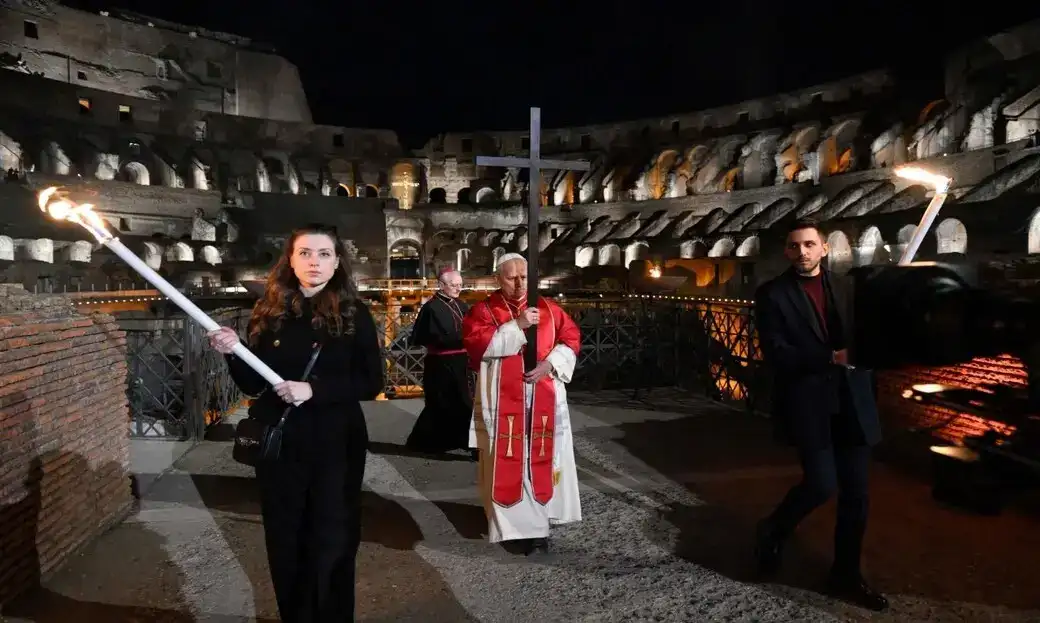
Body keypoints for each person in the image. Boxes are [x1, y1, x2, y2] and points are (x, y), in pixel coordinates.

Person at [206, 224, 383, 622]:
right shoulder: (269, 312)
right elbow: (253, 384)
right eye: (305, 253)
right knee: (285, 538)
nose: (314, 262)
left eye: (323, 254)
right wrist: (233, 352)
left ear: (337, 262)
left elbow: (371, 382)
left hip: (335, 443)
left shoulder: (356, 313)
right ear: (290, 259)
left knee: (332, 538)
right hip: (280, 443)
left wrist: (314, 390)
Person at [752, 218, 888, 612]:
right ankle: (773, 528)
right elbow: (776, 352)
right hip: (809, 400)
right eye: (795, 246)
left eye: (810, 245)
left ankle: (845, 576)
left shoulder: (848, 287)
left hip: (853, 399)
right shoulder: (772, 294)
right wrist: (829, 358)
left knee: (857, 493)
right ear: (786, 251)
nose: (803, 252)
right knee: (821, 484)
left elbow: (867, 336)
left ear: (824, 249)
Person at [462, 252, 582, 555]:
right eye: (511, 277)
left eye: (524, 277)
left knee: (540, 459)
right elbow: (477, 345)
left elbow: (570, 340)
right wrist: (516, 324)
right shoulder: (484, 310)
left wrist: (550, 364)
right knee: (510, 459)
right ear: (497, 279)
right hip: (504, 401)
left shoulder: (551, 310)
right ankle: (513, 528)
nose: (518, 283)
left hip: (543, 396)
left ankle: (539, 525)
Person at [405, 267, 475, 458]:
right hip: (440, 363)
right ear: (441, 285)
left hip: (461, 362)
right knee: (440, 403)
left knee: (463, 402)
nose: (458, 289)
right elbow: (426, 336)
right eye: (454, 285)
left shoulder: (462, 305)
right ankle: (425, 442)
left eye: (460, 285)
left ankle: (465, 441)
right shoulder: (431, 308)